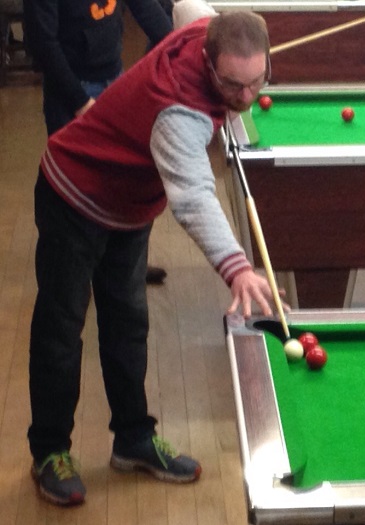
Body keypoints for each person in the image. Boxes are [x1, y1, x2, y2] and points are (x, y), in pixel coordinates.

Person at [28, 10, 278, 506]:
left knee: (128, 322)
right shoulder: (178, 111)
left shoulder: (204, 30)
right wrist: (236, 267)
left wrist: (238, 97)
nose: (247, 96)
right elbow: (194, 195)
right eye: (233, 85)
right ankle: (50, 451)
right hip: (74, 191)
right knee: (61, 329)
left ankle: (133, 439)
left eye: (257, 82)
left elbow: (190, 9)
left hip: (129, 205)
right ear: (207, 62)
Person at [23, 0, 172, 283]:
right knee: (75, 196)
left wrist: (178, 46)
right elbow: (42, 43)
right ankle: (75, 277)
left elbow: (145, 8)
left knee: (121, 183)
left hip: (113, 79)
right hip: (70, 91)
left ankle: (124, 266)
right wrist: (80, 102)